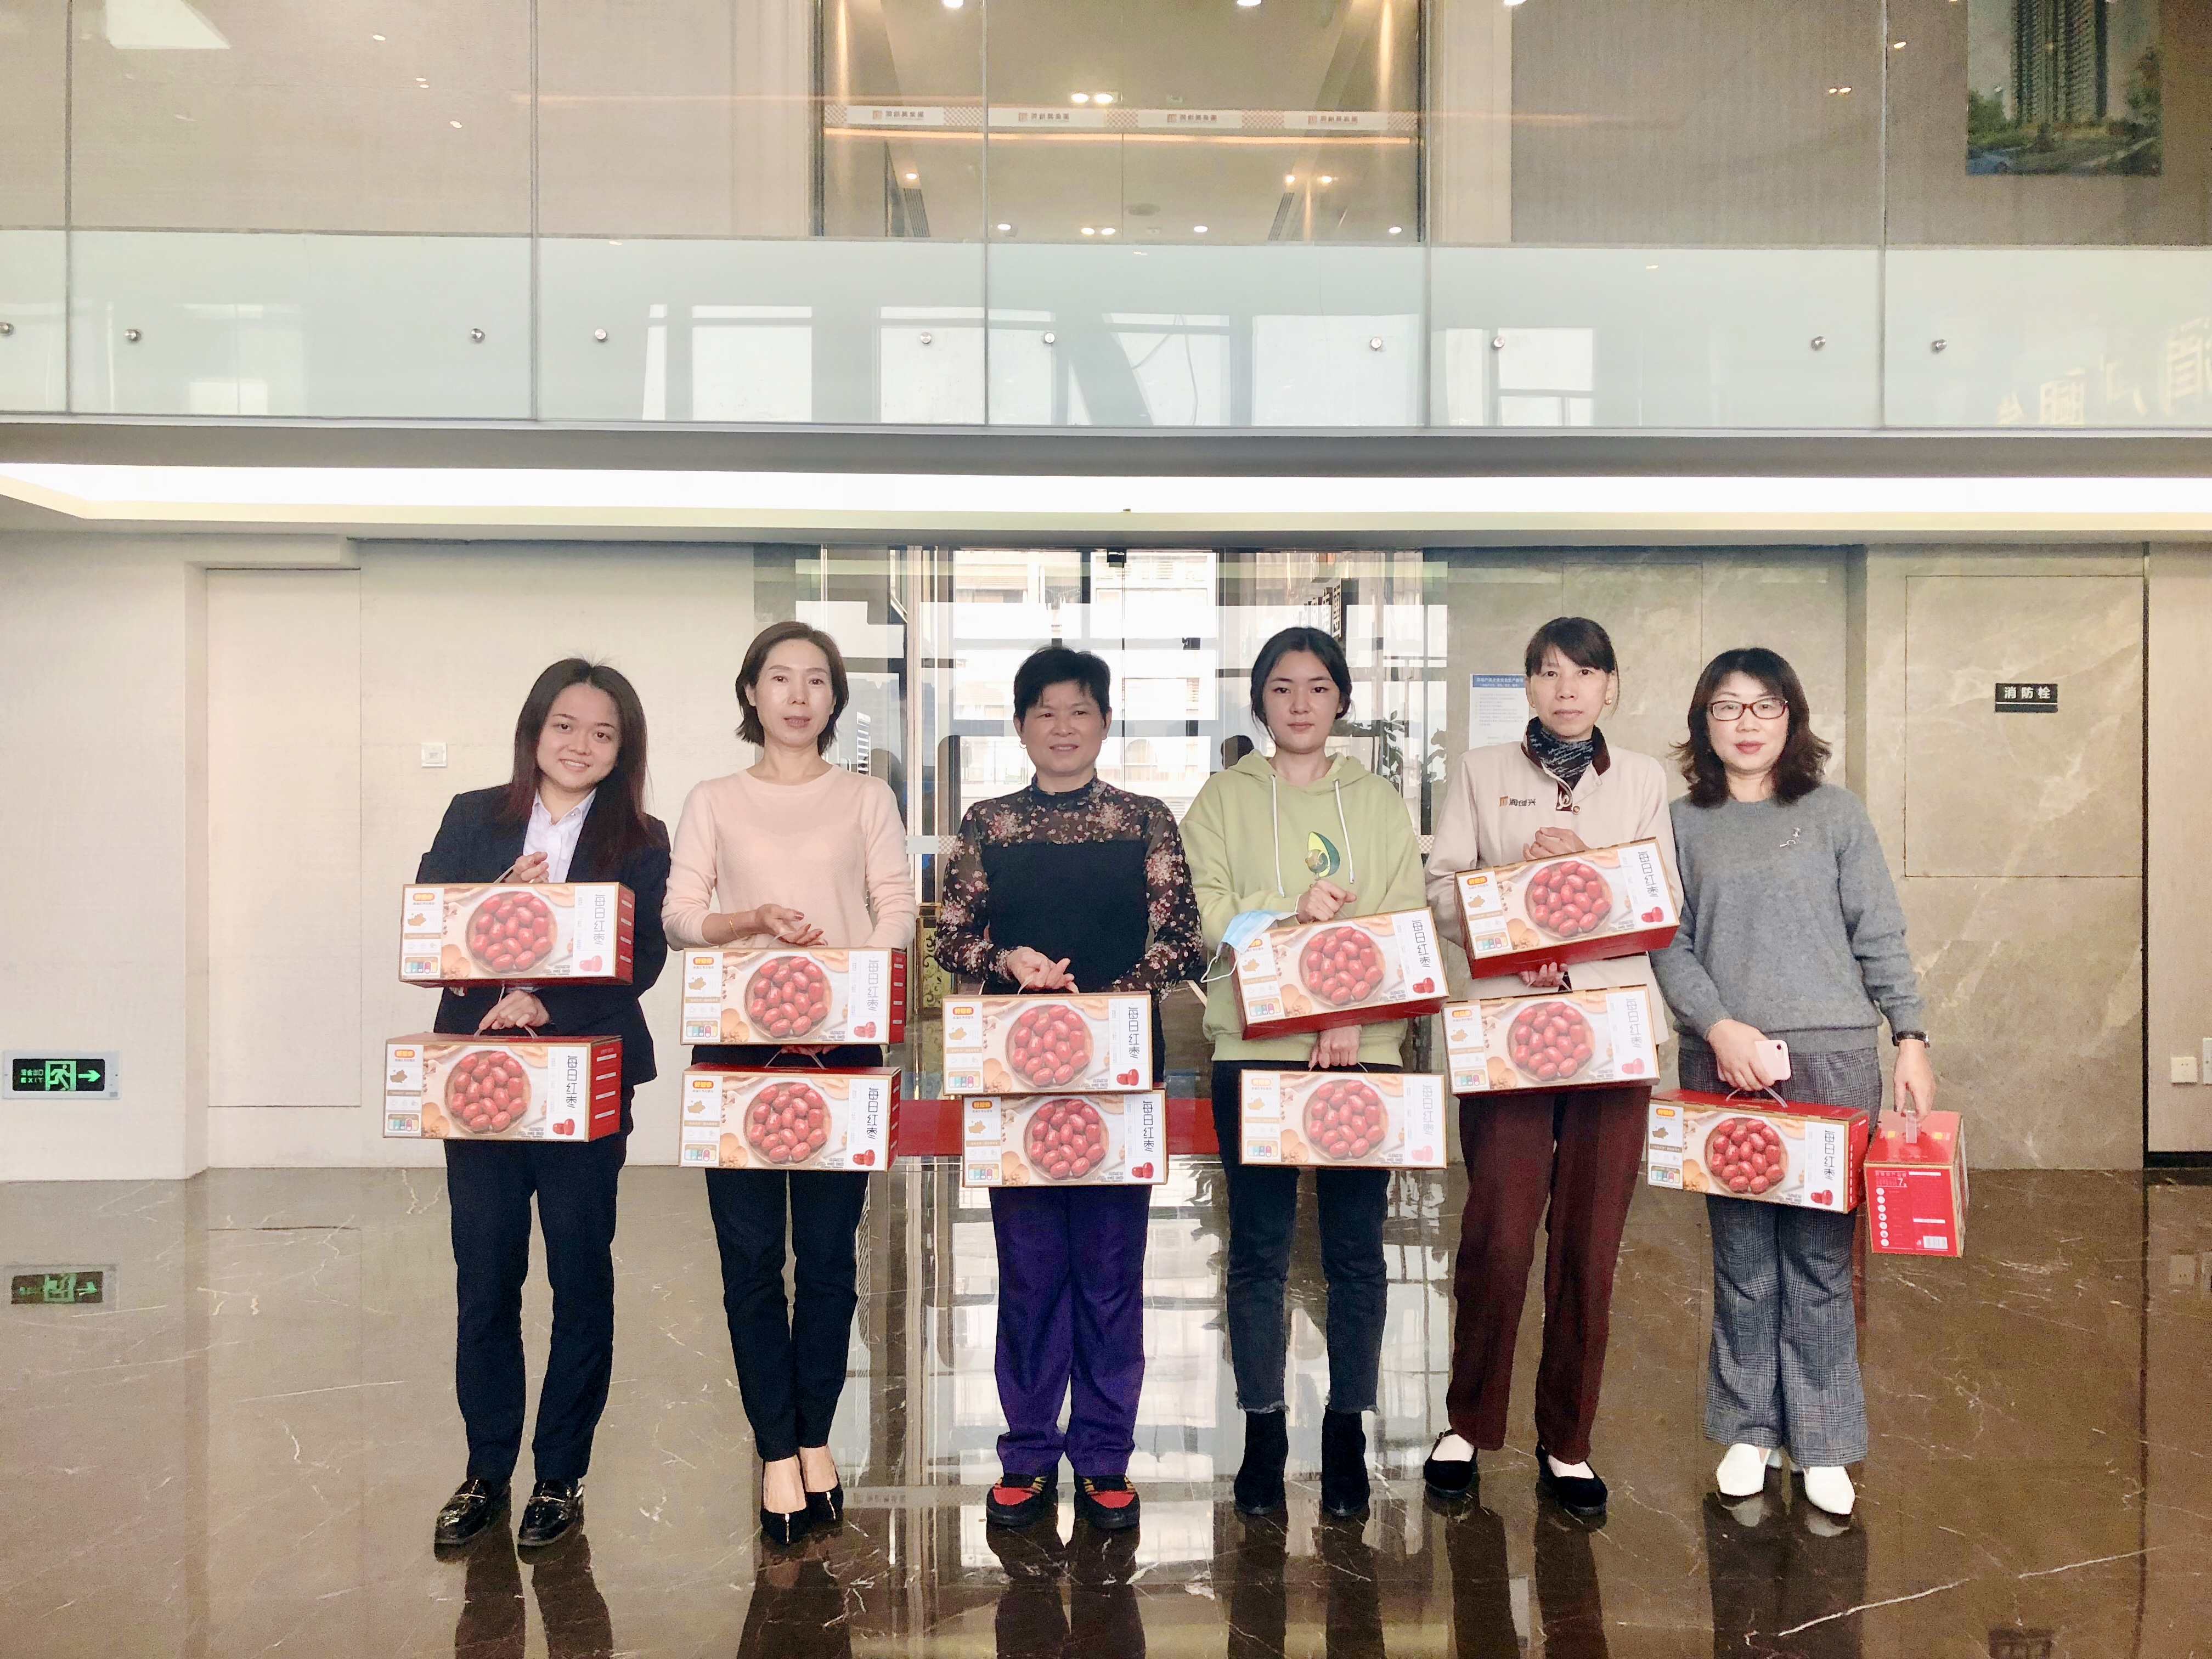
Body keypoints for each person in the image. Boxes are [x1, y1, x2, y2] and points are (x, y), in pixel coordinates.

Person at [1651, 646, 1935, 1520]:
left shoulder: (1835, 812)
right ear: (1703, 722)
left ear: (1791, 717)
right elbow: (1667, 941)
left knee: (1818, 1262)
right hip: (1722, 1061)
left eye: (1764, 706)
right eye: (1727, 707)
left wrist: (1910, 1036)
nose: (1746, 723)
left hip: (1832, 1058)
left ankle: (1823, 1441)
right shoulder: (1678, 824)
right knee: (1741, 1258)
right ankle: (1749, 1430)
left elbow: (1878, 929)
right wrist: (1720, 1028)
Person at [934, 646, 1206, 1536]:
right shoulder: (989, 823)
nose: (1062, 727)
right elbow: (950, 938)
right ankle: (1024, 1453)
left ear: (1104, 722)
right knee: (1028, 1267)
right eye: (1044, 712)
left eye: (1079, 710)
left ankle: (1103, 1456)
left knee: (1110, 1267)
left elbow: (1184, 939)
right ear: (1020, 726)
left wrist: (1103, 1000)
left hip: (1119, 1067)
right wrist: (1007, 959)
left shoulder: (1145, 820)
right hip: (1015, 1072)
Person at [1420, 617, 1681, 1520]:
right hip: (1510, 1021)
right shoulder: (1480, 771)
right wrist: (1515, 925)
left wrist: (1588, 875)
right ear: (1528, 686)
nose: (1567, 689)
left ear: (1612, 686)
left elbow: (1661, 900)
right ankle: (1467, 1423)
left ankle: (1568, 1441)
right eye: (1549, 673)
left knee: (1589, 1243)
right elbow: (1443, 889)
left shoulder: (1642, 779)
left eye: (1585, 673)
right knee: (1496, 1232)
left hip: (1613, 1029)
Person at [664, 620, 917, 1546]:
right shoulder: (713, 800)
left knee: (830, 1260)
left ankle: (815, 1435)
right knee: (748, 1261)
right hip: (737, 1047)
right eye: (780, 678)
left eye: (817, 680)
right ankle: (775, 1447)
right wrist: (750, 922)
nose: (799, 696)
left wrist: (843, 990)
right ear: (751, 693)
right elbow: (679, 917)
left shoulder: (866, 797)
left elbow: (897, 908)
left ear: (834, 698)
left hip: (837, 1048)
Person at [420, 659, 670, 1553]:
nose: (580, 745)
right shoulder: (472, 816)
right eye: (566, 725)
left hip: (583, 1074)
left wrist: (544, 997)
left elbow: (642, 957)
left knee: (578, 1272)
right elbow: (431, 928)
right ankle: (486, 1469)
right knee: (485, 1275)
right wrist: (498, 904)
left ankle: (561, 1472)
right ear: (535, 729)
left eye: (604, 733)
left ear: (623, 749)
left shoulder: (642, 837)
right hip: (480, 1076)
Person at [1182, 625, 1427, 1520]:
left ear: (1342, 701)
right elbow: (1206, 916)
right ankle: (1263, 1428)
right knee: (1258, 1250)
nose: (1299, 703)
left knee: (1357, 1251)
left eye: (1318, 687)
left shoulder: (1378, 801)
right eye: (1282, 688)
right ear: (1260, 701)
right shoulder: (1223, 799)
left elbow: (1403, 919)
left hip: (1362, 1048)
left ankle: (1347, 1427)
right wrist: (1287, 908)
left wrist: (1348, 1011)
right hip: (1254, 1048)